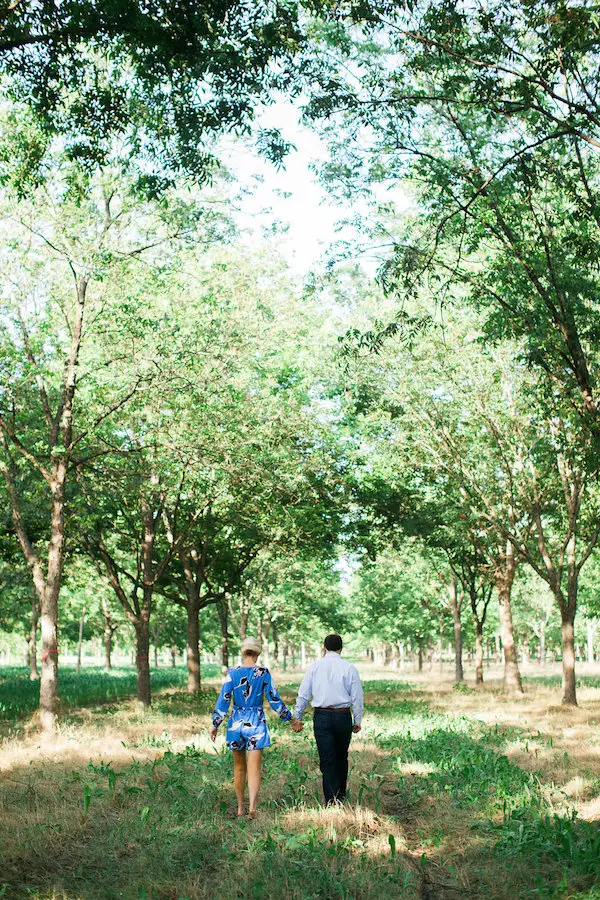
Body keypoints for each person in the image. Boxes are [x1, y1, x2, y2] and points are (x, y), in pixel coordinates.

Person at [210, 637, 303, 818]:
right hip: (256, 722)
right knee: (254, 768)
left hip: (236, 723)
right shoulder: (263, 673)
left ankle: (239, 808)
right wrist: (291, 719)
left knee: (238, 767)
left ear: (243, 652)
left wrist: (215, 724)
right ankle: (252, 807)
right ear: (258, 653)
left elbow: (223, 700)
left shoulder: (232, 673)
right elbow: (274, 699)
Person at [293, 633, 364, 806]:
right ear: (341, 648)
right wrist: (357, 720)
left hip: (322, 717)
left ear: (324, 648)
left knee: (327, 758)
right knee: (341, 756)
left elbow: (303, 694)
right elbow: (357, 696)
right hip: (342, 716)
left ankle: (330, 800)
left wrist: (297, 717)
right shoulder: (349, 668)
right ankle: (340, 796)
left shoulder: (314, 667)